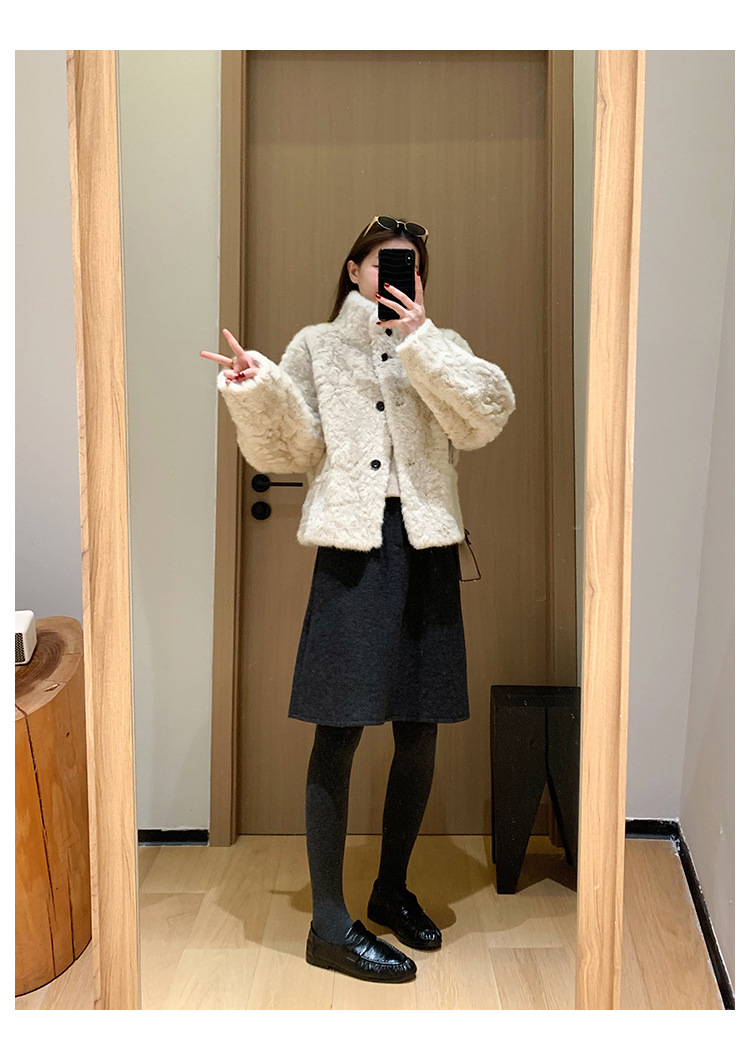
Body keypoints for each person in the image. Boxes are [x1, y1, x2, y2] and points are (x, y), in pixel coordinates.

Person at [200, 215, 516, 985]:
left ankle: (390, 889)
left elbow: (485, 417)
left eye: (411, 267)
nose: (398, 277)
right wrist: (256, 389)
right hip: (353, 554)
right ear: (353, 269)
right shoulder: (316, 347)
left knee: (420, 729)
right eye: (384, 263)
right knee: (338, 732)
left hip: (428, 548)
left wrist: (423, 343)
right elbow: (290, 449)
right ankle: (330, 925)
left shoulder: (439, 345)